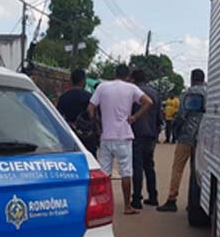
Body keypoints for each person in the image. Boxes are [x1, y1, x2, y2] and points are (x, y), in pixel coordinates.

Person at [88, 64, 154, 215]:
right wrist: (135, 117)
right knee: (126, 172)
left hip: (106, 137)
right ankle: (126, 206)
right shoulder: (131, 88)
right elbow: (148, 102)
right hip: (124, 136)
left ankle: (102, 205)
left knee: (104, 174)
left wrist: (97, 124)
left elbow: (90, 108)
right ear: (127, 76)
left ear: (114, 74)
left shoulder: (102, 87)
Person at [157, 69, 207, 213]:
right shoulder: (210, 93)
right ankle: (194, 202)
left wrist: (176, 131)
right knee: (196, 170)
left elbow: (181, 115)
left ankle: (172, 199)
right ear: (203, 79)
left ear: (192, 79)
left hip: (186, 136)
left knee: (178, 168)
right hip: (203, 137)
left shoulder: (188, 93)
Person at [129, 69, 163, 209]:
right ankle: (153, 196)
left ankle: (137, 198)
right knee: (149, 166)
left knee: (137, 166)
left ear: (133, 79)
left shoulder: (133, 92)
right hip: (151, 134)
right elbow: (159, 118)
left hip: (136, 133)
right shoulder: (155, 93)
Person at [57, 68, 98, 155]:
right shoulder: (90, 98)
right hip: (87, 139)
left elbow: (58, 118)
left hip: (69, 139)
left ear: (71, 81)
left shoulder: (63, 97)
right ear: (84, 81)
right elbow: (95, 118)